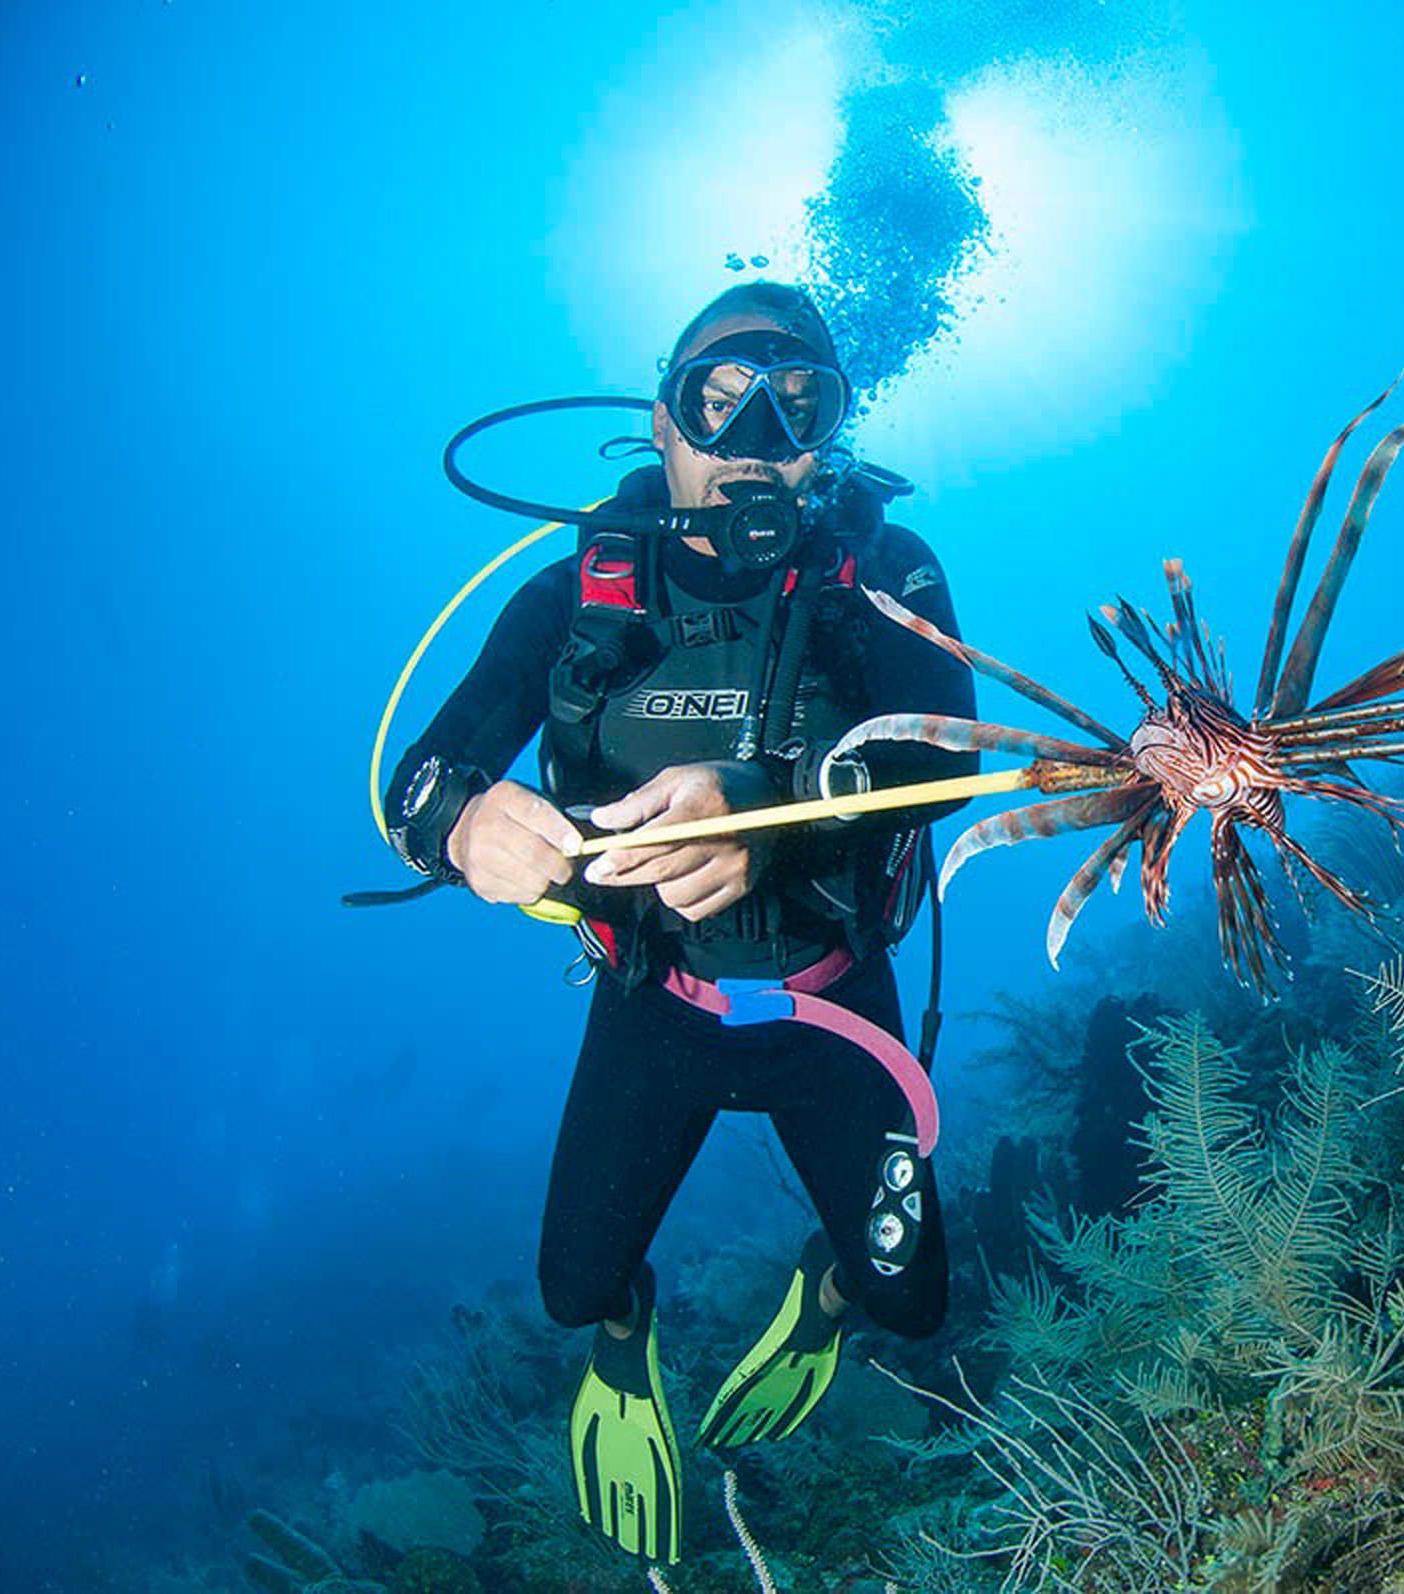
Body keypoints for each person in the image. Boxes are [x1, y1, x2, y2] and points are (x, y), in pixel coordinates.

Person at [380, 282, 976, 1565]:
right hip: (656, 999)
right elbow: (414, 780)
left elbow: (954, 753)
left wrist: (765, 808)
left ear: (829, 434)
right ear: (662, 423)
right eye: (721, 398)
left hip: (834, 1003)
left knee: (911, 1305)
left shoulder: (890, 575)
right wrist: (464, 826)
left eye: (800, 401)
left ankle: (826, 1291)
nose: (757, 432)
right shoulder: (574, 600)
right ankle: (624, 1339)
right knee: (570, 1289)